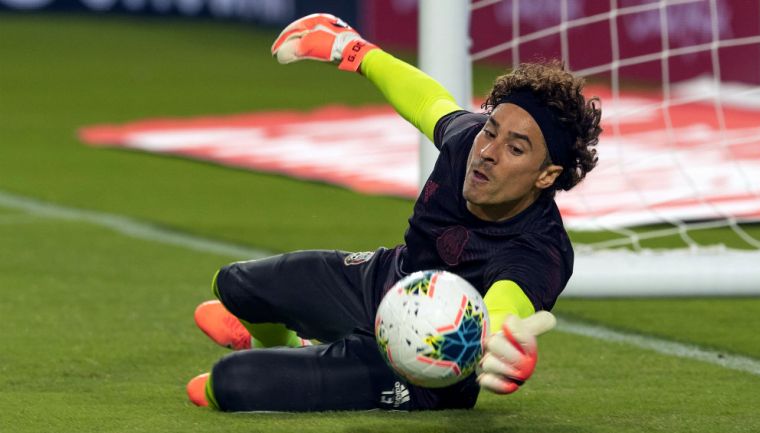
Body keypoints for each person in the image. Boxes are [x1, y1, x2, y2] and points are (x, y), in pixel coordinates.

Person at [186, 13, 601, 411]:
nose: (488, 152)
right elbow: (426, 101)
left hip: (423, 368)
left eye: (515, 148)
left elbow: (505, 304)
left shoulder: (541, 250)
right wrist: (356, 51)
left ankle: (295, 361)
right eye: (491, 129)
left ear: (547, 175)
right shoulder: (469, 143)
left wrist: (499, 340)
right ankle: (287, 347)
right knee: (235, 284)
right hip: (385, 282)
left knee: (227, 384)